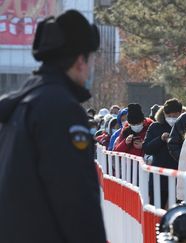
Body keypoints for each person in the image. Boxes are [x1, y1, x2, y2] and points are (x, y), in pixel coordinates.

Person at [0, 10, 106, 242]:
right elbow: (75, 200)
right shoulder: (61, 109)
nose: (90, 68)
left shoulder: (20, 104)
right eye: (91, 60)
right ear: (80, 61)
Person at [143, 99, 183, 208]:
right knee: (156, 209)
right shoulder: (155, 127)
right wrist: (160, 139)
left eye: (175, 115)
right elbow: (146, 148)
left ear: (180, 113)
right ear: (164, 114)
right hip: (159, 177)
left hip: (178, 176)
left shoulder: (184, 126)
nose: (172, 118)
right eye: (169, 115)